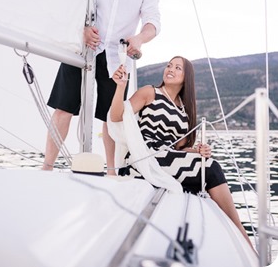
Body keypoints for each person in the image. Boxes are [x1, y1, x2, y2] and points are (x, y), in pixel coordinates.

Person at [42, 0, 161, 172]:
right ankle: (46, 168)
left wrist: (139, 38)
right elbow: (73, 7)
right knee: (63, 109)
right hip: (83, 49)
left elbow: (153, 22)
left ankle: (111, 171)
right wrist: (83, 29)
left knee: (111, 118)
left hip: (117, 58)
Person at [109, 55, 254, 249]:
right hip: (145, 157)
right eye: (169, 65)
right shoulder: (150, 93)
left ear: (187, 77)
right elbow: (117, 116)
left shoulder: (185, 110)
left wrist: (197, 150)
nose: (170, 69)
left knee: (207, 164)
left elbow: (178, 148)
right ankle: (243, 236)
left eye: (178, 68)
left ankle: (236, 234)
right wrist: (120, 87)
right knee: (211, 169)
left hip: (166, 158)